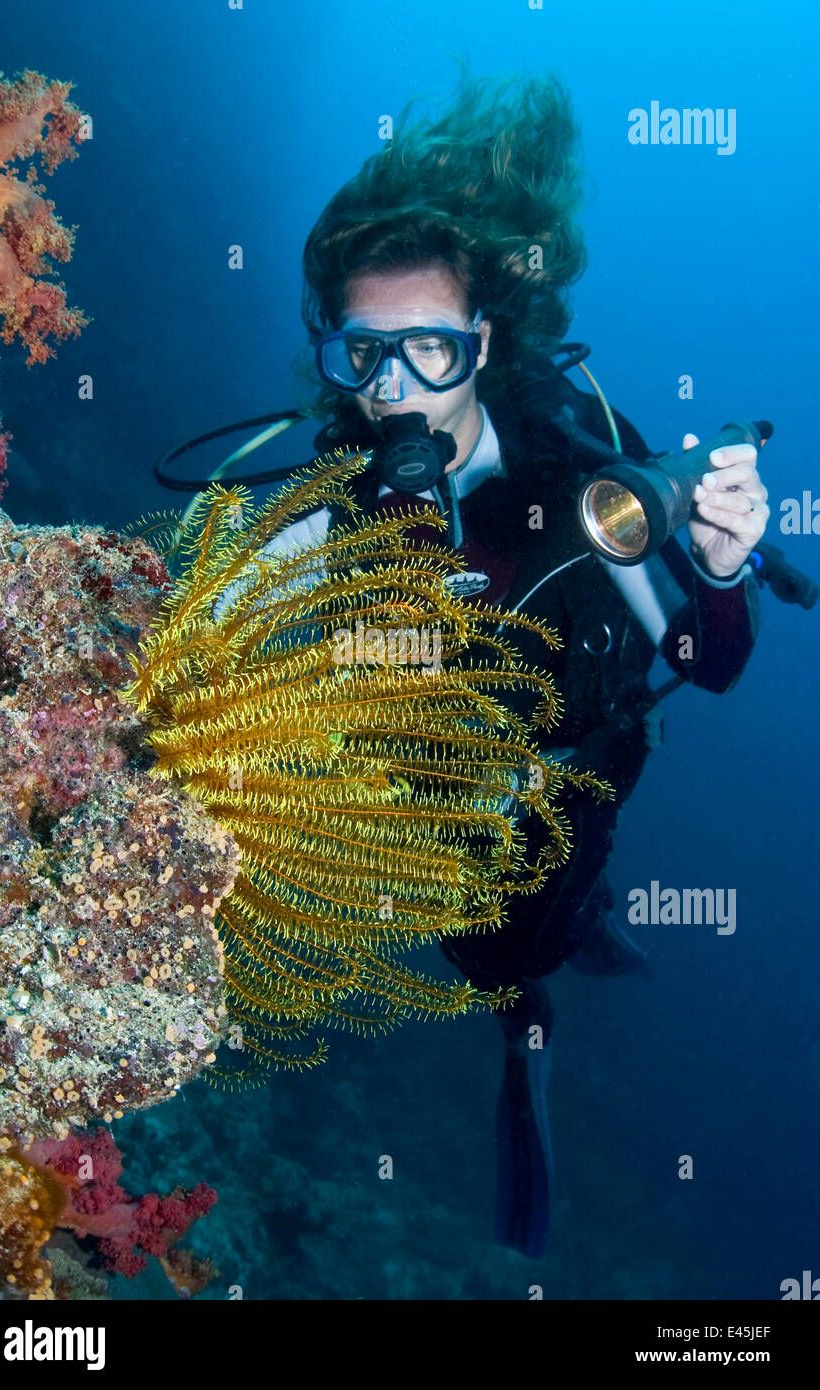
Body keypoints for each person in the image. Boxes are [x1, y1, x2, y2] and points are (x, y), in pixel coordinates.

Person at [259, 72, 770, 1256]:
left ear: (479, 341)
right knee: (467, 942)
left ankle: (549, 977)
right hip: (410, 801)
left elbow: (707, 661)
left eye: (429, 349)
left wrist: (723, 567)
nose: (396, 390)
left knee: (518, 942)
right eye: (364, 354)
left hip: (563, 777)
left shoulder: (586, 476)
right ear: (333, 356)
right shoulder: (327, 507)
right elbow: (194, 643)